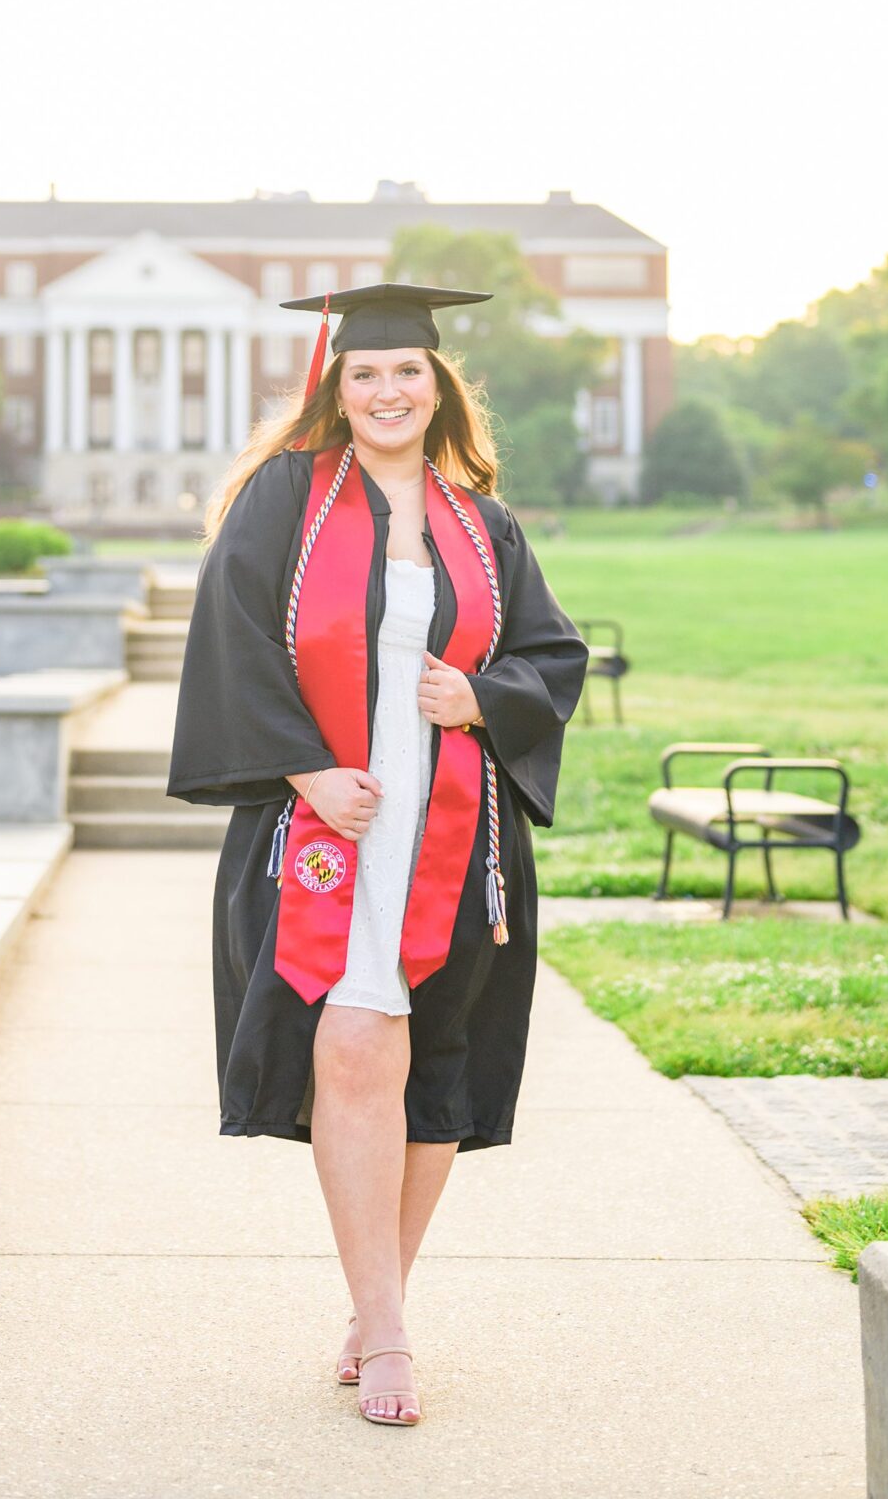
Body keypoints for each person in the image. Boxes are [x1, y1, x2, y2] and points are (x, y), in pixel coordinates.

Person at [168, 281, 589, 1427]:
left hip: (455, 827)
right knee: (353, 1048)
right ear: (335, 387)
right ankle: (390, 1332)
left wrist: (478, 695)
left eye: (406, 371)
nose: (387, 390)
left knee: (435, 1067)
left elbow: (552, 656)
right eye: (364, 373)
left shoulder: (482, 524)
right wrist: (302, 767)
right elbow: (232, 634)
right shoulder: (284, 504)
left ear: (436, 385)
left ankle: (373, 1300)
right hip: (331, 825)